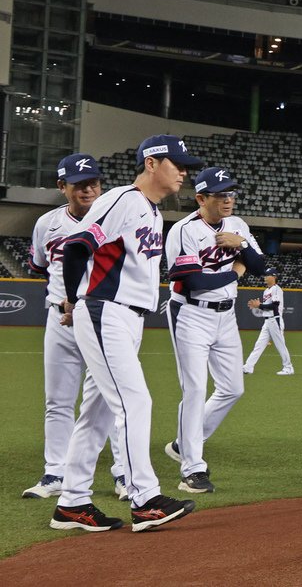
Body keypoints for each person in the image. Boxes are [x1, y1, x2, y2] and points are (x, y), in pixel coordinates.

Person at [50, 134, 201, 532]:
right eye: (177, 164)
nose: (184, 172)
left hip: (126, 317)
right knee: (135, 402)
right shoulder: (123, 200)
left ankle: (71, 502)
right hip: (105, 311)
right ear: (151, 163)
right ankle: (144, 497)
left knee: (96, 415)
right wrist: (70, 298)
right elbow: (77, 246)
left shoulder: (151, 211)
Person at [23, 154, 127, 503]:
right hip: (59, 320)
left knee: (111, 402)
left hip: (101, 319)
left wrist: (81, 302)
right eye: (80, 184)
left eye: (94, 183)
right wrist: (64, 301)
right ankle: (56, 471)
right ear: (61, 187)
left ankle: (123, 473)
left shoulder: (115, 220)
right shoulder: (47, 224)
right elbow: (42, 266)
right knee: (58, 401)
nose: (88, 189)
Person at [163, 167, 268, 494]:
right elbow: (194, 282)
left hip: (225, 316)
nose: (227, 200)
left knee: (233, 388)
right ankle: (192, 469)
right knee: (194, 390)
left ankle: (183, 443)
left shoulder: (237, 226)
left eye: (231, 193)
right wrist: (237, 272)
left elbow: (262, 267)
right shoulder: (184, 231)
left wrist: (243, 246)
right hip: (190, 313)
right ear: (201, 198)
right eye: (220, 194)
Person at [243, 268, 292, 376]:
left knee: (280, 345)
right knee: (259, 345)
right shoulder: (266, 291)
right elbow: (266, 307)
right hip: (267, 321)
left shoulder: (276, 289)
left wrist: (259, 305)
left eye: (267, 275)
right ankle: (248, 367)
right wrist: (259, 306)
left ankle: (288, 368)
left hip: (275, 320)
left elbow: (274, 306)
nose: (265, 277)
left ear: (274, 277)